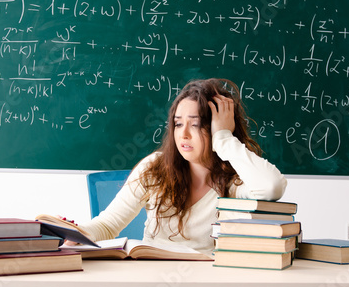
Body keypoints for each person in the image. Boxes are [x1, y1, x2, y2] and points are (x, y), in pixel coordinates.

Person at [76, 78, 287, 255]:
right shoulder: (154, 168)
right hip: (149, 276)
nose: (183, 134)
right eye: (178, 123)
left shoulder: (234, 182)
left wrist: (223, 138)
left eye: (195, 124)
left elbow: (271, 187)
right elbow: (107, 225)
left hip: (203, 286)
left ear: (215, 127)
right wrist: (72, 232)